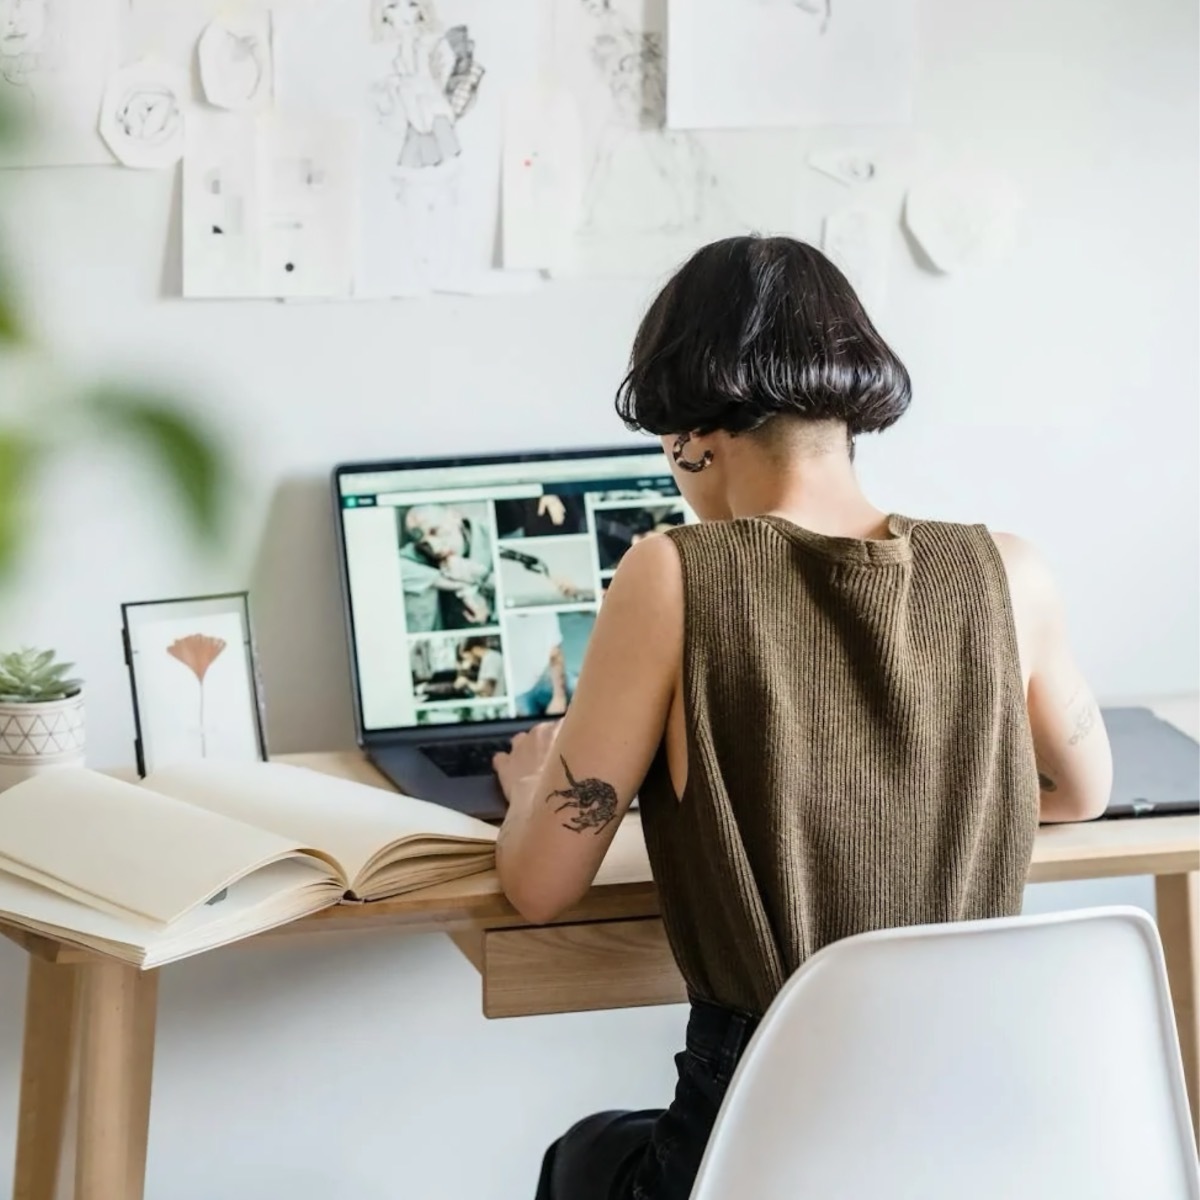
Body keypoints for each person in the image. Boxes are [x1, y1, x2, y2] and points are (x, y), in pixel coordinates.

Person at [491, 235, 1113, 1200]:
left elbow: (540, 887)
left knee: (581, 1157)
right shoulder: (1010, 570)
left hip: (757, 1147)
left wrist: (536, 787)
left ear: (688, 432)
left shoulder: (673, 572)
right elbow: (1081, 791)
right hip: (967, 1148)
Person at [399, 504, 494, 631]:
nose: (435, 549)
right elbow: (387, 567)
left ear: (455, 516)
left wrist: (479, 575)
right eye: (425, 543)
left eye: (435, 531)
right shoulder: (422, 551)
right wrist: (447, 583)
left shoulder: (491, 531)